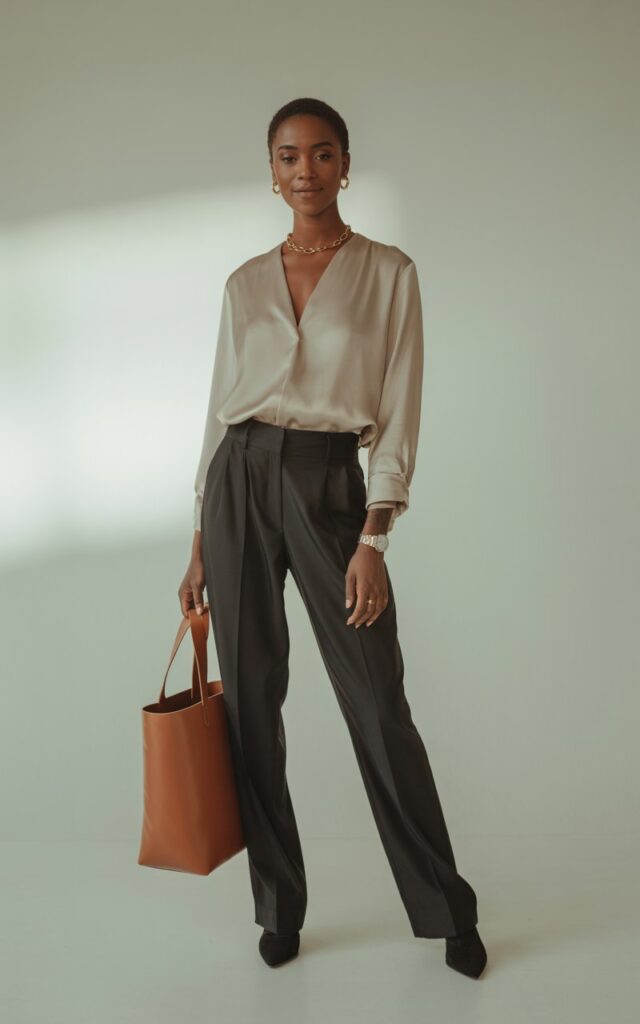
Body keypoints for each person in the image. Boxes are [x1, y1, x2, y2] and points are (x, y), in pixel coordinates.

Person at [178, 97, 487, 979]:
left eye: (320, 154)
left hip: (327, 483)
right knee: (249, 709)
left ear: (346, 163)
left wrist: (375, 535)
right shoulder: (243, 283)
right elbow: (216, 409)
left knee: (377, 703)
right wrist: (201, 535)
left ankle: (446, 911)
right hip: (238, 479)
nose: (304, 171)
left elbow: (399, 408)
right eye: (287, 157)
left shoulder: (389, 271)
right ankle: (278, 908)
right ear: (270, 171)